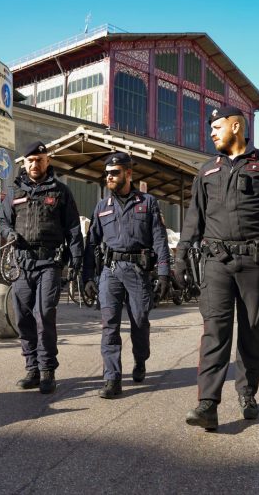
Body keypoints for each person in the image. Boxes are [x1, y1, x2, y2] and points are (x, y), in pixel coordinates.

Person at [174, 106, 259, 430]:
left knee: (251, 330)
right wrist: (180, 255)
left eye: (217, 126)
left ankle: (247, 393)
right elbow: (194, 217)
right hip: (216, 261)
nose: (212, 133)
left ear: (236, 126)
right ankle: (207, 404)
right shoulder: (206, 171)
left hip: (253, 262)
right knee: (214, 331)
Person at [82, 152, 171, 399]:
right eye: (107, 173)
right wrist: (87, 277)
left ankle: (140, 360)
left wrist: (163, 272)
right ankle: (112, 379)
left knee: (139, 322)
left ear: (128, 174)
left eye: (115, 173)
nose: (109, 177)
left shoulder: (148, 202)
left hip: (137, 271)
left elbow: (160, 239)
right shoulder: (102, 207)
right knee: (109, 325)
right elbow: (91, 245)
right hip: (110, 272)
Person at [0, 141, 84, 394]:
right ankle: (32, 368)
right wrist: (9, 234)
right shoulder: (14, 192)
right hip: (22, 263)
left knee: (44, 313)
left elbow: (72, 228)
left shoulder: (60, 191)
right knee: (23, 316)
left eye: (39, 160)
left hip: (50, 262)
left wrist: (76, 260)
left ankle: (48, 370)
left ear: (47, 162)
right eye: (30, 161)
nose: (35, 164)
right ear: (24, 163)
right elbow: (4, 221)